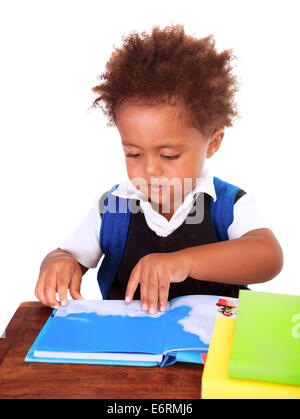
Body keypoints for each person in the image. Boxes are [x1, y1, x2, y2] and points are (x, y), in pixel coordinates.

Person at [35, 24, 283, 315]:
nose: (150, 169)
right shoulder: (111, 209)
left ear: (212, 143)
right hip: (129, 351)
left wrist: (183, 262)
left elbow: (269, 256)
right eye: (134, 153)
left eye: (169, 155)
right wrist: (57, 262)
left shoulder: (227, 204)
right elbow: (68, 254)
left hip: (214, 349)